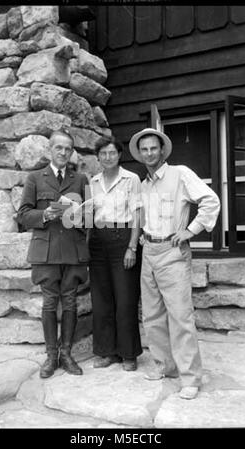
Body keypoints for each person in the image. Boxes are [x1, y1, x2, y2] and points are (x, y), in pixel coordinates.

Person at [129, 128, 220, 399]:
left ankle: (190, 378)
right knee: (152, 315)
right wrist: (143, 237)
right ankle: (164, 365)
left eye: (153, 148)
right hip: (150, 251)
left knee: (180, 317)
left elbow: (210, 201)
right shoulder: (143, 185)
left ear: (162, 150)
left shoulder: (180, 173)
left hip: (173, 251)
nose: (149, 153)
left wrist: (190, 231)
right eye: (144, 149)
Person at [17, 131, 90, 378]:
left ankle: (67, 354)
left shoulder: (80, 179)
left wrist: (77, 215)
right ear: (50, 150)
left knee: (69, 302)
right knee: (49, 304)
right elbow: (23, 215)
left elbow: (89, 219)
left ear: (72, 153)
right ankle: (51, 356)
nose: (62, 152)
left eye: (67, 149)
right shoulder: (35, 178)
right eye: (58, 148)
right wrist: (46, 215)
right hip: (45, 252)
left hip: (72, 251)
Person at [89, 136, 143, 371]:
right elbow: (89, 215)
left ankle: (128, 354)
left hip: (123, 240)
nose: (108, 157)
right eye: (103, 154)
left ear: (119, 155)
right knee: (101, 299)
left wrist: (132, 246)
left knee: (125, 298)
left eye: (112, 153)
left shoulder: (131, 179)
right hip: (98, 241)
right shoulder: (92, 181)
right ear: (98, 157)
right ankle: (107, 352)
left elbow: (138, 215)